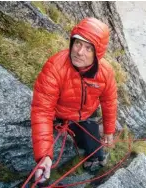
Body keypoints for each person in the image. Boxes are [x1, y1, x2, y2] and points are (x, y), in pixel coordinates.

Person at [31, 17, 117, 183]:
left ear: (97, 53)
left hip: (85, 115)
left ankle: (94, 160)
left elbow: (109, 101)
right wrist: (43, 156)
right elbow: (42, 111)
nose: (79, 52)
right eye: (78, 43)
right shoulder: (55, 67)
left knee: (96, 148)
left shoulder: (105, 72)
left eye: (88, 48)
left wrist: (109, 130)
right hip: (60, 115)